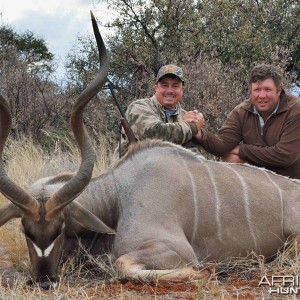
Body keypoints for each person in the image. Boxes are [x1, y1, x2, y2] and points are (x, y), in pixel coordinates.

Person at [194, 63, 300, 179]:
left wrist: (241, 149)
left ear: (279, 90)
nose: (262, 95)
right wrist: (197, 131)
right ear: (251, 90)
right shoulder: (242, 111)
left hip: (292, 183)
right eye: (257, 90)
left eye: (267, 89)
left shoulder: (295, 110)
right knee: (231, 159)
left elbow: (285, 156)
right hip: (262, 178)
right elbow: (222, 145)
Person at [116, 64, 204, 158]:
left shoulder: (185, 116)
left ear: (182, 89)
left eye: (175, 86)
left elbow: (194, 153)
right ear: (156, 88)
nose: (170, 90)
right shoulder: (139, 107)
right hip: (131, 169)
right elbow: (156, 134)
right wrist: (191, 127)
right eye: (164, 85)